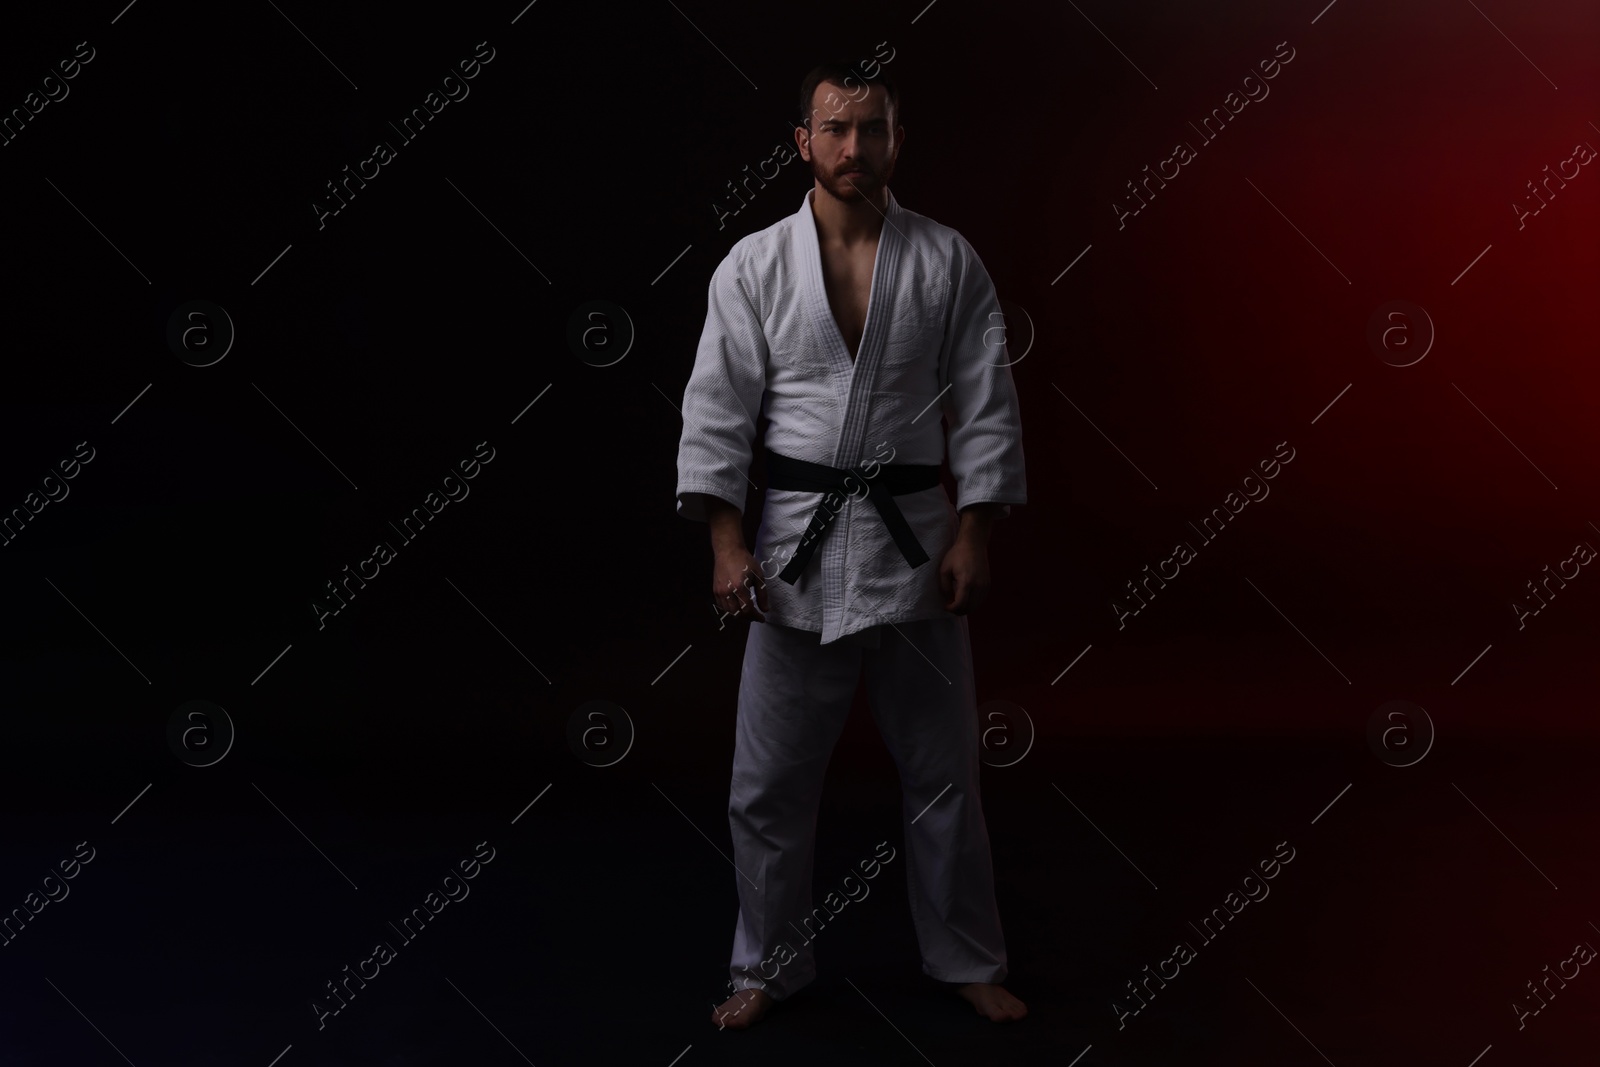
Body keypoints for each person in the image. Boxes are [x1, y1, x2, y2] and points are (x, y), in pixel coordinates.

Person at [674, 61, 1028, 1030]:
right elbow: (716, 412)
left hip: (916, 548)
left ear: (895, 140)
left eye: (870, 129)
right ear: (801, 140)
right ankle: (765, 965)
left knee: (945, 774)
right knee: (766, 786)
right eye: (833, 128)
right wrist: (723, 539)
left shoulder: (946, 258)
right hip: (790, 556)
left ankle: (964, 955)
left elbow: (985, 404)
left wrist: (975, 526)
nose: (851, 149)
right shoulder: (752, 264)